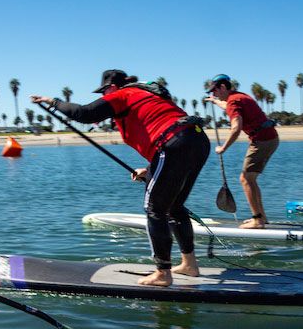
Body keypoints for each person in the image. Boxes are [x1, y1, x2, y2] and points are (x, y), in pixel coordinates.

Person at [32, 70, 209, 286]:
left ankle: (163, 273)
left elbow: (85, 113)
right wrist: (150, 168)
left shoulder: (123, 95)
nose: (104, 95)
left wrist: (53, 102)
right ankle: (189, 265)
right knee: (174, 206)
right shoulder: (147, 96)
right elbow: (168, 128)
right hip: (196, 140)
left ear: (113, 86)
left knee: (155, 209)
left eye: (105, 90)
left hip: (173, 144)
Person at [204, 74, 278, 229]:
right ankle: (262, 217)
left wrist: (223, 148)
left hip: (262, 141)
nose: (214, 93)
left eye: (215, 91)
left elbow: (236, 128)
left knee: (245, 179)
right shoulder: (240, 97)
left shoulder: (233, 101)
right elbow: (227, 106)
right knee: (250, 179)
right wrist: (214, 101)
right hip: (269, 138)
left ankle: (258, 220)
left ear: (223, 87)